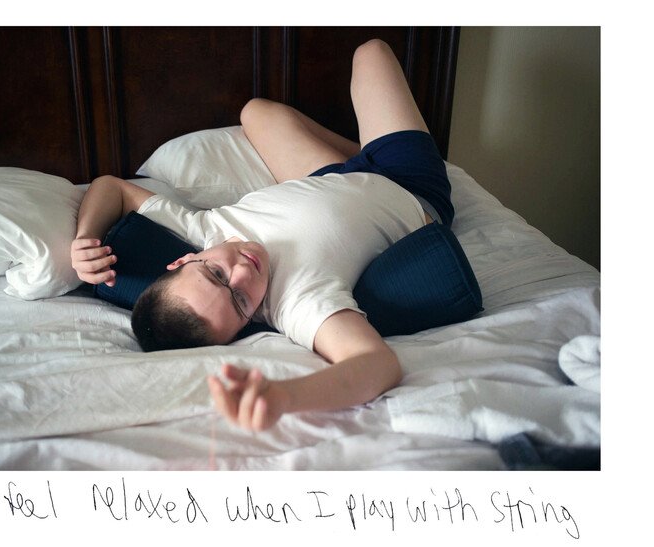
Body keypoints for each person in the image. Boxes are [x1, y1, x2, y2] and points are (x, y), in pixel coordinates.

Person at [70, 39, 454, 433]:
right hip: (407, 183)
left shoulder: (203, 231)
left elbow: (111, 187)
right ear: (245, 324)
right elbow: (376, 364)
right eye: (239, 302)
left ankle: (361, 154)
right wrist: (285, 397)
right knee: (371, 52)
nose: (242, 275)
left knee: (256, 112)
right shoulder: (297, 301)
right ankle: (379, 147)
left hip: (327, 177)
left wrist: (84, 240)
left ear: (184, 259)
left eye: (216, 274)